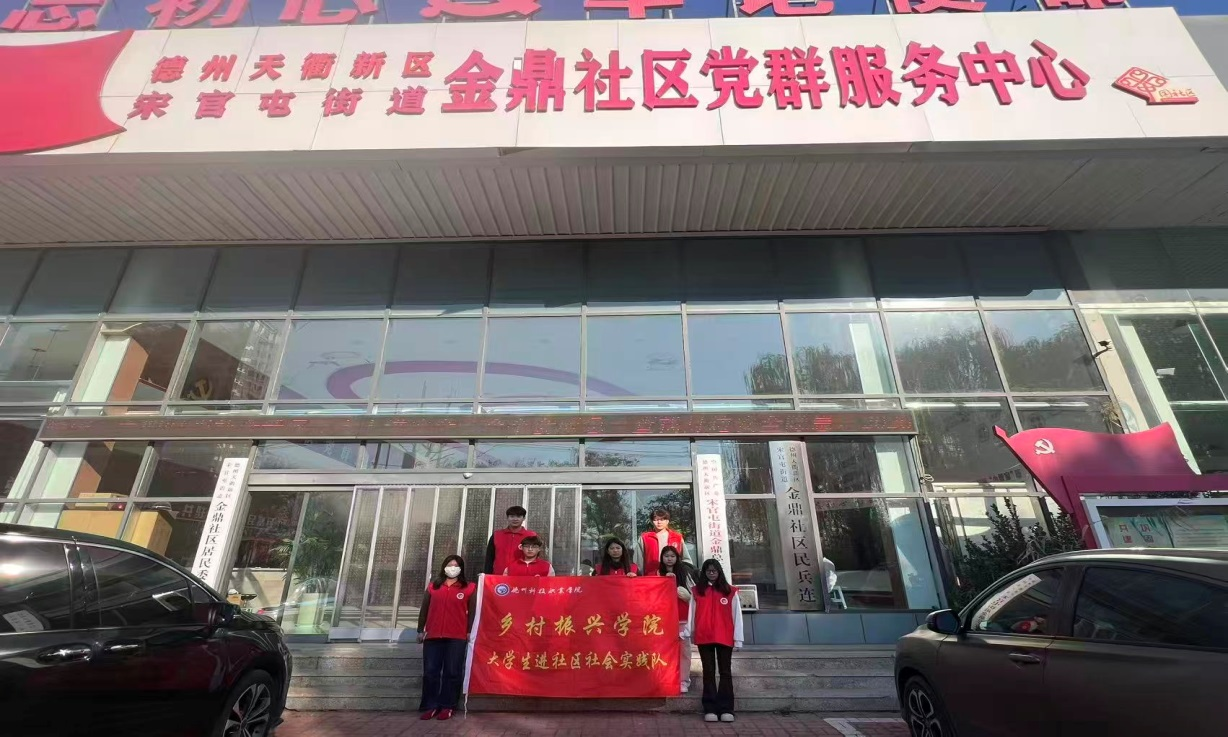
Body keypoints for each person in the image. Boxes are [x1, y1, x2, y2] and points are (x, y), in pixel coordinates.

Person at [683, 558, 743, 724]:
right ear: (704, 572)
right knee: (708, 672)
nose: (711, 573)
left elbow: (737, 616)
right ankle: (709, 708)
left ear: (719, 572)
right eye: (708, 571)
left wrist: (738, 638)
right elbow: (691, 614)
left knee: (725, 672)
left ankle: (726, 708)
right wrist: (688, 632)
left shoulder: (730, 591)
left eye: (714, 570)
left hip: (725, 636)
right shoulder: (697, 591)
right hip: (704, 637)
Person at [416, 555, 475, 722]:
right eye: (449, 565)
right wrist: (420, 630)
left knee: (452, 672)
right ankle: (430, 706)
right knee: (430, 672)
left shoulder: (469, 588)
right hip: (433, 635)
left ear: (461, 568)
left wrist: (469, 631)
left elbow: (472, 612)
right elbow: (424, 609)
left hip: (457, 637)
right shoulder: (433, 587)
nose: (452, 568)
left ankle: (448, 706)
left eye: (456, 565)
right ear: (444, 567)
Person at [656, 545, 695, 693]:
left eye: (672, 556)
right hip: (663, 620)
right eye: (666, 556)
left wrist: (688, 596)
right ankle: (665, 679)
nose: (669, 559)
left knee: (684, 651)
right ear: (662, 558)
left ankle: (683, 681)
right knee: (664, 651)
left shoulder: (685, 573)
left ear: (677, 558)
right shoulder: (657, 573)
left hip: (682, 618)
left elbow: (695, 594)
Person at [484, 505, 535, 575]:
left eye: (519, 516)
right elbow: (489, 558)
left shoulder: (531, 536)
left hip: (523, 576)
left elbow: (536, 558)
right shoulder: (497, 535)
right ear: (507, 518)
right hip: (499, 576)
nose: (515, 519)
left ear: (524, 518)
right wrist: (487, 575)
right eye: (512, 516)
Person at [638, 508, 685, 573]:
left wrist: (684, 574)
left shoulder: (677, 537)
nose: (659, 522)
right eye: (656, 520)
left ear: (667, 521)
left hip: (674, 575)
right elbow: (638, 561)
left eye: (662, 519)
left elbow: (686, 559)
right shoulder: (645, 538)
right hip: (652, 575)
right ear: (652, 522)